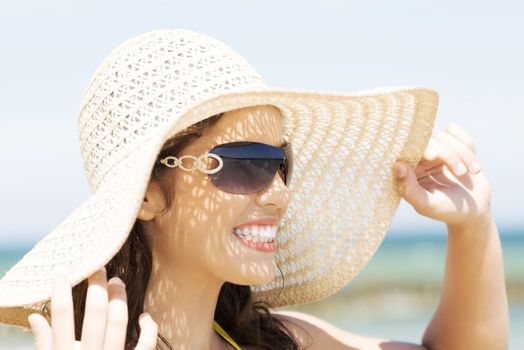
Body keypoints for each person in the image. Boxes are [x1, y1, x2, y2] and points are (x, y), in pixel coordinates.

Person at [0, 29, 508, 349]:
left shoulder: (277, 339)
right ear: (148, 193)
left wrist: (473, 225)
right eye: (245, 164)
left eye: (281, 163)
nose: (279, 192)